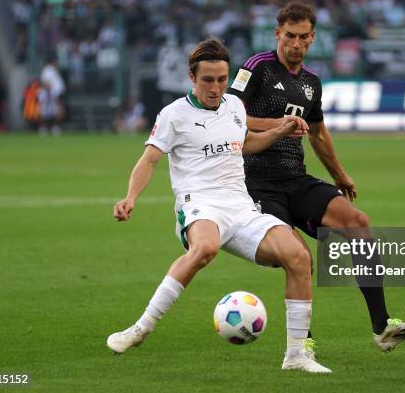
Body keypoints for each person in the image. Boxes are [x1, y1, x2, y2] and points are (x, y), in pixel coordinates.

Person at [107, 38, 331, 373]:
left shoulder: (235, 107)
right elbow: (149, 159)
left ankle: (296, 354)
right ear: (192, 78)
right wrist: (130, 197)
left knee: (299, 257)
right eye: (208, 80)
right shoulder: (173, 115)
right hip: (198, 202)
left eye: (222, 80)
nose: (216, 88)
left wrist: (280, 131)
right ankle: (141, 328)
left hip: (240, 205)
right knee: (205, 248)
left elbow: (244, 144)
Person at [227, 1, 405, 355]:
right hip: (257, 183)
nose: (296, 44)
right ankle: (302, 345)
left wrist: (340, 174)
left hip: (296, 179)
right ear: (278, 33)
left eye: (304, 37)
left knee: (358, 222)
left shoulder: (311, 83)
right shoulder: (258, 67)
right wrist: (278, 124)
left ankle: (382, 328)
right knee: (299, 255)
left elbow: (318, 134)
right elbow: (230, 115)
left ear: (313, 38)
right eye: (290, 36)